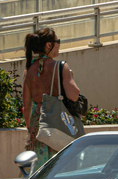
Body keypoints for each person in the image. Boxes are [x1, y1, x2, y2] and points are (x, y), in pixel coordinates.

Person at [23, 28, 80, 168]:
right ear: (49, 45)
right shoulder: (61, 67)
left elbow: (26, 107)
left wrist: (31, 133)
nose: (59, 45)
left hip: (38, 131)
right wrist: (70, 76)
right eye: (57, 41)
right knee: (60, 169)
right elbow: (74, 95)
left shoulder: (28, 71)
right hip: (57, 127)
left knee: (39, 172)